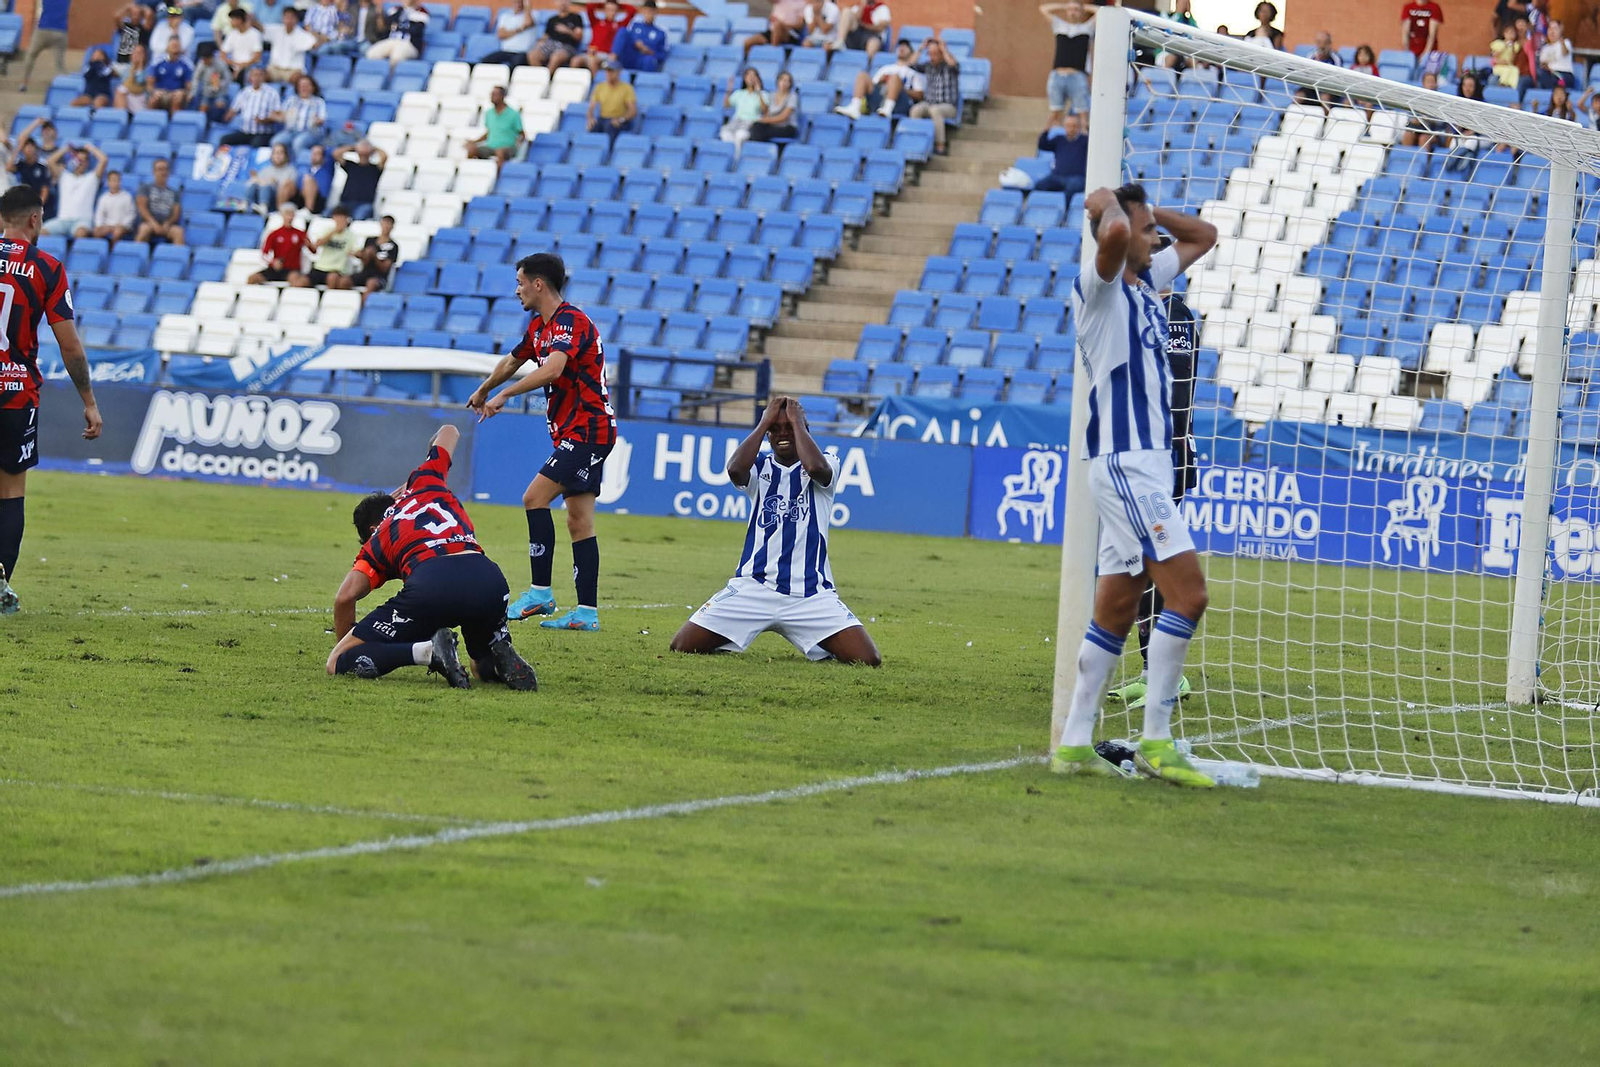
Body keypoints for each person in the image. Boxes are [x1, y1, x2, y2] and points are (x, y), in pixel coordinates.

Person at [1049, 182, 1218, 787]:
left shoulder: (1147, 286)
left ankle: (1073, 743)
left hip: (1137, 466)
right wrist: (1108, 208)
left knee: (1118, 609)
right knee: (1189, 596)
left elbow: (1205, 236)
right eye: (1151, 233)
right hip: (1127, 464)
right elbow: (1116, 233)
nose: (1158, 240)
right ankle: (1157, 740)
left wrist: (1151, 212)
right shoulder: (1099, 290)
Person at [468, 253, 618, 633]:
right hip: (575, 431)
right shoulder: (539, 327)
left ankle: (540, 593)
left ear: (538, 284)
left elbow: (553, 368)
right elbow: (513, 360)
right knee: (579, 521)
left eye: (520, 282)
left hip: (589, 429)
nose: (516, 290)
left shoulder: (572, 321)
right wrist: (486, 387)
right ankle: (586, 613)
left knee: (534, 497)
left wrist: (505, 396)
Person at [668, 397, 880, 665]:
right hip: (753, 587)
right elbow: (734, 470)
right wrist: (764, 422)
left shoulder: (828, 461)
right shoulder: (759, 466)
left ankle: (820, 643)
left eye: (789, 428)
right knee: (683, 646)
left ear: (804, 429)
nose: (782, 434)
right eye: (775, 430)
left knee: (867, 659)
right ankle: (734, 637)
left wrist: (797, 422)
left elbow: (815, 468)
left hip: (811, 594)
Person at [327, 424, 538, 690]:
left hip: (434, 584)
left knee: (338, 661)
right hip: (488, 578)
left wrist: (347, 648)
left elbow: (345, 597)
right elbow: (450, 430)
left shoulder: (378, 538)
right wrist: (415, 479)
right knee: (479, 666)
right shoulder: (426, 480)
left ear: (371, 529)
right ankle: (498, 656)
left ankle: (428, 652)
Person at [0, 185, 104, 615]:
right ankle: (1, 587)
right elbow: (71, 347)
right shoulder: (46, 266)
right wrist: (89, 401)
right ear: (35, 220)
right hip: (13, 391)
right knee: (10, 490)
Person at [1111, 243, 1197, 712]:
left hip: (1165, 462)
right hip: (1138, 460)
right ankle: (1153, 673)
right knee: (1139, 566)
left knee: (1152, 567)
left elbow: (1176, 393)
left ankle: (1165, 677)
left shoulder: (1175, 314)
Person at [836, 39, 924, 119]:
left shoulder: (913, 72)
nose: (901, 48)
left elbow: (920, 95)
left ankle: (888, 109)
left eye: (905, 47)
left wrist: (901, 87)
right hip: (880, 98)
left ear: (911, 53)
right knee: (862, 75)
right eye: (900, 46)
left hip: (900, 102)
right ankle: (855, 107)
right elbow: (872, 85)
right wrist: (881, 81)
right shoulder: (885, 68)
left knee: (894, 77)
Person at [1041, 2, 1094, 120]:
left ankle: (1084, 136)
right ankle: (1053, 136)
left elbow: (1102, 12)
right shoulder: (1059, 25)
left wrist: (1085, 8)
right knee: (1055, 112)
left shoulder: (1087, 27)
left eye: (1076, 10)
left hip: (1077, 75)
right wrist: (1063, 6)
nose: (1073, 12)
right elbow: (1044, 9)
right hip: (1057, 75)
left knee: (1082, 111)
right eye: (1070, 10)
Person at [909, 37, 960, 155]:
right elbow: (911, 64)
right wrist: (921, 48)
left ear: (941, 54)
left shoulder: (950, 67)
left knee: (935, 110)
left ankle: (940, 145)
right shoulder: (928, 66)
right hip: (929, 103)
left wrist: (944, 49)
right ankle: (918, 143)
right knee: (915, 110)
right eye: (930, 54)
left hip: (948, 106)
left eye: (935, 54)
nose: (932, 57)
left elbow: (953, 64)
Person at [43, 144, 107, 239]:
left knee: (80, 234)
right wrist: (66, 149)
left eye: (83, 160)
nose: (80, 163)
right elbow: (50, 161)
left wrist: (90, 148)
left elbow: (104, 160)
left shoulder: (92, 178)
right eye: (78, 160)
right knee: (42, 232)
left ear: (87, 163)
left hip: (82, 221)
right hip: (62, 220)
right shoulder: (64, 176)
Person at [220, 65, 282, 147]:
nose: (257, 78)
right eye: (254, 75)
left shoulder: (272, 93)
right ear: (250, 77)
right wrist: (227, 116)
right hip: (244, 132)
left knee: (256, 144)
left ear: (263, 77)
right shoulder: (244, 92)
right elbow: (233, 110)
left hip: (263, 133)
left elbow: (277, 116)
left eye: (259, 75)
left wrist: (263, 120)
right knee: (224, 140)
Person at [18, 0, 71, 94]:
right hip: (60, 31)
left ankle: (24, 83)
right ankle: (63, 88)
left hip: (43, 29)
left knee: (31, 55)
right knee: (59, 64)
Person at [300, 205, 358, 288]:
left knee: (332, 278)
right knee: (302, 281)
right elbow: (317, 244)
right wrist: (334, 232)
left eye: (342, 218)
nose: (340, 221)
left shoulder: (351, 235)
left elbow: (355, 250)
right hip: (320, 267)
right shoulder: (327, 230)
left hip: (336, 269)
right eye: (337, 217)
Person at [468, 86, 525, 167]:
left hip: (507, 148)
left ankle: (497, 177)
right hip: (491, 146)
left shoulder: (513, 114)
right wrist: (474, 142)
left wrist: (517, 143)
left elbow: (521, 134)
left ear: (502, 96)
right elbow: (489, 132)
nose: (491, 97)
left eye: (494, 94)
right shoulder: (489, 113)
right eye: (491, 94)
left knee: (500, 152)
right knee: (472, 150)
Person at [249, 203, 306, 283]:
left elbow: (313, 250)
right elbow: (264, 253)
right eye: (287, 214)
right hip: (276, 268)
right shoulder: (274, 234)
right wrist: (273, 262)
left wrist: (311, 244)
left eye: (291, 214)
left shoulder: (300, 234)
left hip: (292, 270)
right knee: (252, 279)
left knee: (296, 280)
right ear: (282, 215)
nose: (289, 217)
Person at [1033, 110, 1087, 195]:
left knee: (1072, 187)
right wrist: (1048, 126)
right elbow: (1042, 145)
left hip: (1077, 177)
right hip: (1057, 177)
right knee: (1040, 185)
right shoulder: (1059, 139)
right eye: (1068, 126)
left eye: (1074, 126)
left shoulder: (1084, 141)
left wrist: (1085, 126)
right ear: (1064, 127)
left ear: (1078, 127)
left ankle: (1065, 208)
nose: (1071, 129)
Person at [135, 158, 185, 245]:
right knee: (144, 230)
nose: (163, 172)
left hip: (167, 225)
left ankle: (177, 257)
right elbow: (142, 207)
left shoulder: (175, 192)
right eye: (160, 169)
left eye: (165, 169)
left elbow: (176, 213)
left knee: (178, 232)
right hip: (149, 223)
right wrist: (153, 223)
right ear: (154, 172)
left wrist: (168, 223)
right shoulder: (145, 188)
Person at [272, 74, 327, 153]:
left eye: (307, 85)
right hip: (290, 131)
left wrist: (317, 120)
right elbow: (282, 116)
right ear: (297, 88)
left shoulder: (319, 102)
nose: (304, 88)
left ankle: (299, 164)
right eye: (301, 86)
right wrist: (275, 116)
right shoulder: (291, 100)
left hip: (309, 132)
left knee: (298, 143)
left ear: (313, 87)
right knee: (276, 141)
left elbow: (322, 119)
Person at [586, 61, 638, 142]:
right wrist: (590, 118)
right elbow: (591, 107)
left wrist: (621, 119)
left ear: (618, 72)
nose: (608, 74)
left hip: (618, 119)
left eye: (611, 71)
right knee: (593, 127)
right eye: (607, 71)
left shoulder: (627, 88)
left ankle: (609, 151)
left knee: (610, 127)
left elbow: (633, 111)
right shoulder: (600, 87)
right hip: (603, 118)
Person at [334, 140, 385, 220]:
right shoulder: (351, 166)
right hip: (346, 202)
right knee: (328, 215)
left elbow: (384, 156)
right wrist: (354, 147)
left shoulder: (374, 169)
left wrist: (372, 148)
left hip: (364, 203)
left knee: (358, 218)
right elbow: (336, 154)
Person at [265, 7, 319, 82]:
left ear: (296, 19)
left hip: (293, 71)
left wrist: (312, 32)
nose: (289, 20)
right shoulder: (276, 30)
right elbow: (261, 29)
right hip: (275, 69)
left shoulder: (302, 34)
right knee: (260, 76)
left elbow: (315, 44)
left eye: (292, 18)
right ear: (282, 18)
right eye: (287, 17)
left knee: (299, 80)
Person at [579, 0, 636, 71]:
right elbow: (589, 6)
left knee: (592, 61)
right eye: (608, 9)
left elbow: (632, 10)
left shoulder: (619, 25)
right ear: (604, 10)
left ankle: (594, 81)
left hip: (606, 55)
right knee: (576, 61)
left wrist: (619, 5)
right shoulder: (596, 22)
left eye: (614, 10)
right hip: (592, 53)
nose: (611, 12)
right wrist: (603, 4)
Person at [719, 67, 768, 150]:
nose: (751, 78)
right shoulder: (739, 93)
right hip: (736, 120)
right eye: (748, 75)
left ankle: (737, 159)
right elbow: (726, 105)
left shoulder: (763, 94)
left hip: (751, 122)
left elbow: (764, 109)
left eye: (753, 76)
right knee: (725, 133)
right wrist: (729, 89)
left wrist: (758, 91)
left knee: (740, 135)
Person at [351, 213, 399, 295]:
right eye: (384, 223)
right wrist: (360, 255)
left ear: (392, 227)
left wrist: (374, 256)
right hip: (365, 272)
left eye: (388, 224)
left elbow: (385, 268)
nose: (386, 226)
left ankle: (363, 305)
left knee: (371, 283)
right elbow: (365, 261)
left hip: (379, 277)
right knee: (344, 281)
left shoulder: (393, 246)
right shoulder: (370, 240)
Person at [6, 137, 53, 222]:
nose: (29, 150)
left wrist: (38, 206)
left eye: (31, 147)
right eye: (26, 147)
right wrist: (17, 149)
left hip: (37, 204)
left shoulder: (42, 167)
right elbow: (8, 168)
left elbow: (45, 189)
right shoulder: (21, 165)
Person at [367, 0, 428, 64]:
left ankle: (391, 73)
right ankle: (379, 72)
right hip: (391, 40)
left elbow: (416, 30)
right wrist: (404, 8)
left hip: (409, 43)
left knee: (396, 56)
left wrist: (399, 27)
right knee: (372, 54)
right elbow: (388, 23)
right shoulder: (396, 9)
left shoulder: (422, 12)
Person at [530, 0, 585, 71]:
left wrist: (567, 30)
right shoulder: (552, 20)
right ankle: (540, 77)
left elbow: (579, 37)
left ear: (569, 2)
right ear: (556, 3)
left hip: (567, 46)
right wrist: (539, 44)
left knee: (556, 57)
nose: (562, 3)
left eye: (565, 1)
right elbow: (545, 36)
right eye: (560, 1)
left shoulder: (576, 17)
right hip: (551, 44)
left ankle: (547, 78)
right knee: (532, 55)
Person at [482, 0, 541, 67]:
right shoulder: (505, 16)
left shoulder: (533, 14)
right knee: (486, 61)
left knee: (516, 63)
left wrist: (527, 7)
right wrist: (520, 29)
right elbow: (501, 35)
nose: (518, 4)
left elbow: (528, 23)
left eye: (520, 2)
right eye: (516, 2)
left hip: (523, 52)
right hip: (506, 51)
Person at [616, 0, 668, 72]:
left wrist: (649, 51)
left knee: (649, 60)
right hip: (631, 56)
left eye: (651, 12)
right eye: (646, 11)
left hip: (645, 60)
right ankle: (613, 59)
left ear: (655, 13)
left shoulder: (660, 33)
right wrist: (635, 43)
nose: (648, 14)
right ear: (643, 11)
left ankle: (645, 81)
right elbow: (626, 41)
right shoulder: (634, 26)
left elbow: (662, 56)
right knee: (622, 30)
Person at [149, 37, 196, 115]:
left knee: (177, 99)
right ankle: (151, 123)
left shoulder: (187, 64)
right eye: (173, 46)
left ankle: (174, 124)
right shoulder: (157, 62)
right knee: (154, 100)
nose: (175, 48)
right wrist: (155, 91)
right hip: (161, 92)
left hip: (176, 92)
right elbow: (149, 84)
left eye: (177, 46)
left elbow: (189, 86)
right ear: (167, 47)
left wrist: (183, 92)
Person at [750, 70, 801, 143]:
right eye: (782, 80)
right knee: (756, 126)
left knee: (762, 131)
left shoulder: (792, 96)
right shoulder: (772, 95)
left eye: (787, 81)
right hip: (773, 125)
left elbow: (784, 117)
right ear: (778, 81)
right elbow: (767, 113)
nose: (784, 83)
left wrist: (764, 120)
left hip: (787, 127)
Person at [246, 142, 297, 212]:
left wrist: (271, 182)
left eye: (280, 153)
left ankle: (263, 206)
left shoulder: (291, 170)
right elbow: (258, 181)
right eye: (275, 153)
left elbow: (290, 189)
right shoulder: (266, 169)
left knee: (265, 184)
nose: (277, 156)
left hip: (277, 198)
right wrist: (256, 178)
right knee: (253, 182)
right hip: (260, 193)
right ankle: (246, 204)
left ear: (286, 155)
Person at [221, 7, 266, 82]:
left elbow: (257, 56)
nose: (231, 22)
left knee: (244, 74)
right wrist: (234, 64)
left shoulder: (255, 34)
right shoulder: (231, 34)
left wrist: (243, 66)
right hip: (234, 66)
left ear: (240, 20)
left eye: (233, 19)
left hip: (249, 67)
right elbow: (223, 54)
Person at [92, 172, 138, 243]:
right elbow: (99, 214)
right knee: (96, 231)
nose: (115, 183)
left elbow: (131, 214)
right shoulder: (104, 198)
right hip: (107, 225)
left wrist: (122, 225)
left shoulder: (127, 196)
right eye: (112, 180)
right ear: (108, 182)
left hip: (122, 226)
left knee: (117, 232)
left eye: (117, 180)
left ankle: (113, 251)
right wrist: (100, 225)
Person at [195, 48, 236, 123]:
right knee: (203, 108)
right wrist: (193, 92)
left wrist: (219, 83)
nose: (204, 61)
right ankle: (203, 126)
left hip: (219, 92)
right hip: (206, 92)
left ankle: (215, 125)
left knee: (219, 105)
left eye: (206, 59)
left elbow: (228, 78)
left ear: (211, 58)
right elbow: (196, 78)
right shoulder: (201, 65)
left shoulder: (220, 64)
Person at [290, 142, 334, 213]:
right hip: (302, 197)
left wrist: (324, 148)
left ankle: (308, 210)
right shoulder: (306, 169)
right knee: (289, 182)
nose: (314, 156)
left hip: (319, 200)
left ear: (323, 157)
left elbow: (333, 153)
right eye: (313, 153)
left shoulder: (327, 168)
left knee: (308, 179)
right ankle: (280, 209)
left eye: (317, 154)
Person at [1401, 0, 1444, 72]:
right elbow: (1405, 33)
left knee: (1426, 76)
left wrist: (1425, 54)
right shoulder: (1408, 7)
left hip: (1429, 53)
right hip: (1412, 51)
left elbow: (1432, 35)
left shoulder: (1434, 7)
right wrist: (1407, 53)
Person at [113, 44, 153, 112]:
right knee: (120, 91)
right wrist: (133, 69)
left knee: (121, 90)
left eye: (140, 53)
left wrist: (140, 66)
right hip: (128, 97)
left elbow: (140, 81)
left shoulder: (149, 69)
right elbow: (126, 84)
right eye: (135, 52)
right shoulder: (127, 68)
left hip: (142, 97)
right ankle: (122, 117)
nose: (137, 55)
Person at [1538, 19, 1576, 89]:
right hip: (1550, 74)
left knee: (1554, 80)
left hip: (1564, 74)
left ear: (1560, 30)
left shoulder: (1565, 42)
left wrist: (1562, 43)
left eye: (1555, 29)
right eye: (1550, 29)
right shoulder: (1545, 48)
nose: (1552, 32)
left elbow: (1565, 52)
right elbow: (1543, 64)